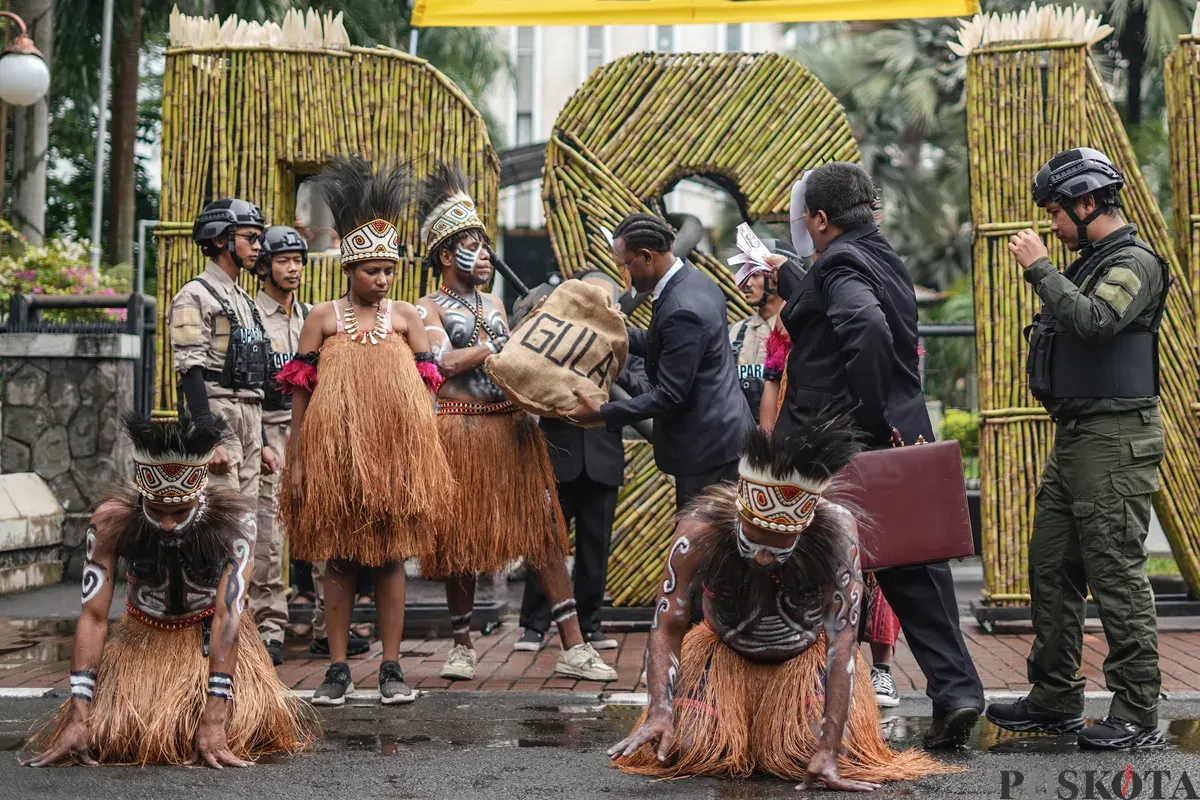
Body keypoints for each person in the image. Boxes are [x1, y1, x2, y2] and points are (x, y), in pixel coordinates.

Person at [607, 419, 955, 789]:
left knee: (810, 752)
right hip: (722, 652)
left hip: (804, 658)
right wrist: (661, 708)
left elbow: (843, 640)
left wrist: (830, 746)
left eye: (777, 546)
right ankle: (727, 724)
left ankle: (794, 735)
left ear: (802, 528)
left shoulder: (837, 532)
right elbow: (667, 623)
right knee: (685, 749)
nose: (762, 559)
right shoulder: (700, 530)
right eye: (753, 541)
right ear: (740, 516)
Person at [775, 162, 984, 748]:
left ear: (820, 218)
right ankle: (958, 691)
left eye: (806, 221)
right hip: (899, 434)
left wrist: (861, 417)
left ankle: (796, 707)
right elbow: (848, 305)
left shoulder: (841, 262)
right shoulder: (878, 253)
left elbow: (862, 325)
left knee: (802, 567)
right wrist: (794, 277)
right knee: (916, 570)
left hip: (843, 442)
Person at [986, 148, 1170, 750]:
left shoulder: (1135, 263)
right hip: (1077, 437)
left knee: (1115, 572)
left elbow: (1095, 322)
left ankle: (1138, 710)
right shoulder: (1092, 260)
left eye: (1057, 213)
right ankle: (1054, 697)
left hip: (1116, 438)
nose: (1052, 226)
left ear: (1088, 202)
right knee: (1052, 567)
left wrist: (1040, 268)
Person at [415, 163, 617, 683]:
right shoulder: (425, 308)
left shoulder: (496, 302)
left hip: (513, 428)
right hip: (459, 430)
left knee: (545, 532)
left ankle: (574, 644)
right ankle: (462, 646)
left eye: (484, 243)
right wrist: (501, 345)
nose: (484, 253)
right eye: (470, 243)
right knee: (460, 540)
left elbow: (519, 364)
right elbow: (444, 364)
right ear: (444, 253)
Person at [22, 412, 313, 767]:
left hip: (207, 638)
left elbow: (228, 614)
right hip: (142, 638)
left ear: (198, 495)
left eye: (180, 511)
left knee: (232, 732)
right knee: (111, 736)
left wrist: (216, 713)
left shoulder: (235, 525)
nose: (168, 523)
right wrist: (80, 711)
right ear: (141, 495)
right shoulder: (110, 521)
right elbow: (95, 616)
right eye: (157, 510)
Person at [277, 157, 453, 706]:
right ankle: (336, 668)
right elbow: (301, 391)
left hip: (397, 457)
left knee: (390, 558)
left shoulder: (407, 319)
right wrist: (299, 455)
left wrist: (422, 455)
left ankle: (393, 668)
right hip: (336, 458)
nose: (382, 278)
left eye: (389, 269)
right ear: (350, 269)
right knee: (339, 557)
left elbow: (429, 392)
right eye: (372, 269)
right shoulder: (323, 319)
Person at [566, 213, 752, 511]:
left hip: (709, 449)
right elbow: (661, 342)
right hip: (719, 436)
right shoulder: (693, 282)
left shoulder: (682, 309)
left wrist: (602, 412)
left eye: (624, 265)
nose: (623, 274)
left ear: (646, 257)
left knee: (700, 545)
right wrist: (608, 329)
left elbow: (670, 395)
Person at [512, 270, 644, 652]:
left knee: (595, 547)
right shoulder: (553, 338)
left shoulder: (627, 345)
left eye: (606, 300)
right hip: (558, 454)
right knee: (545, 543)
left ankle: (591, 625)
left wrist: (615, 367)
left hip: (603, 460)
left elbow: (643, 393)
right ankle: (534, 625)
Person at [168, 200, 274, 539]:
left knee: (246, 528)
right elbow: (189, 369)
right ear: (220, 239)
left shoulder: (244, 299)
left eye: (259, 238)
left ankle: (237, 595)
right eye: (250, 237)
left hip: (251, 417)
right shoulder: (193, 295)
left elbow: (255, 375)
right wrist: (207, 437)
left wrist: (265, 440)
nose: (258, 246)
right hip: (218, 413)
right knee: (218, 523)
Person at [250, 225, 309, 666]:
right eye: (284, 260)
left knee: (322, 530)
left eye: (299, 261)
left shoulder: (312, 316)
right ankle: (268, 628)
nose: (293, 269)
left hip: (311, 433)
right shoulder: (251, 316)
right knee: (269, 536)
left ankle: (328, 627)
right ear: (265, 266)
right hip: (269, 431)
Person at [728, 246, 787, 426]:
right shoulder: (734, 332)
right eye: (745, 275)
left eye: (754, 275)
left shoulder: (794, 330)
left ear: (777, 278)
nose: (746, 283)